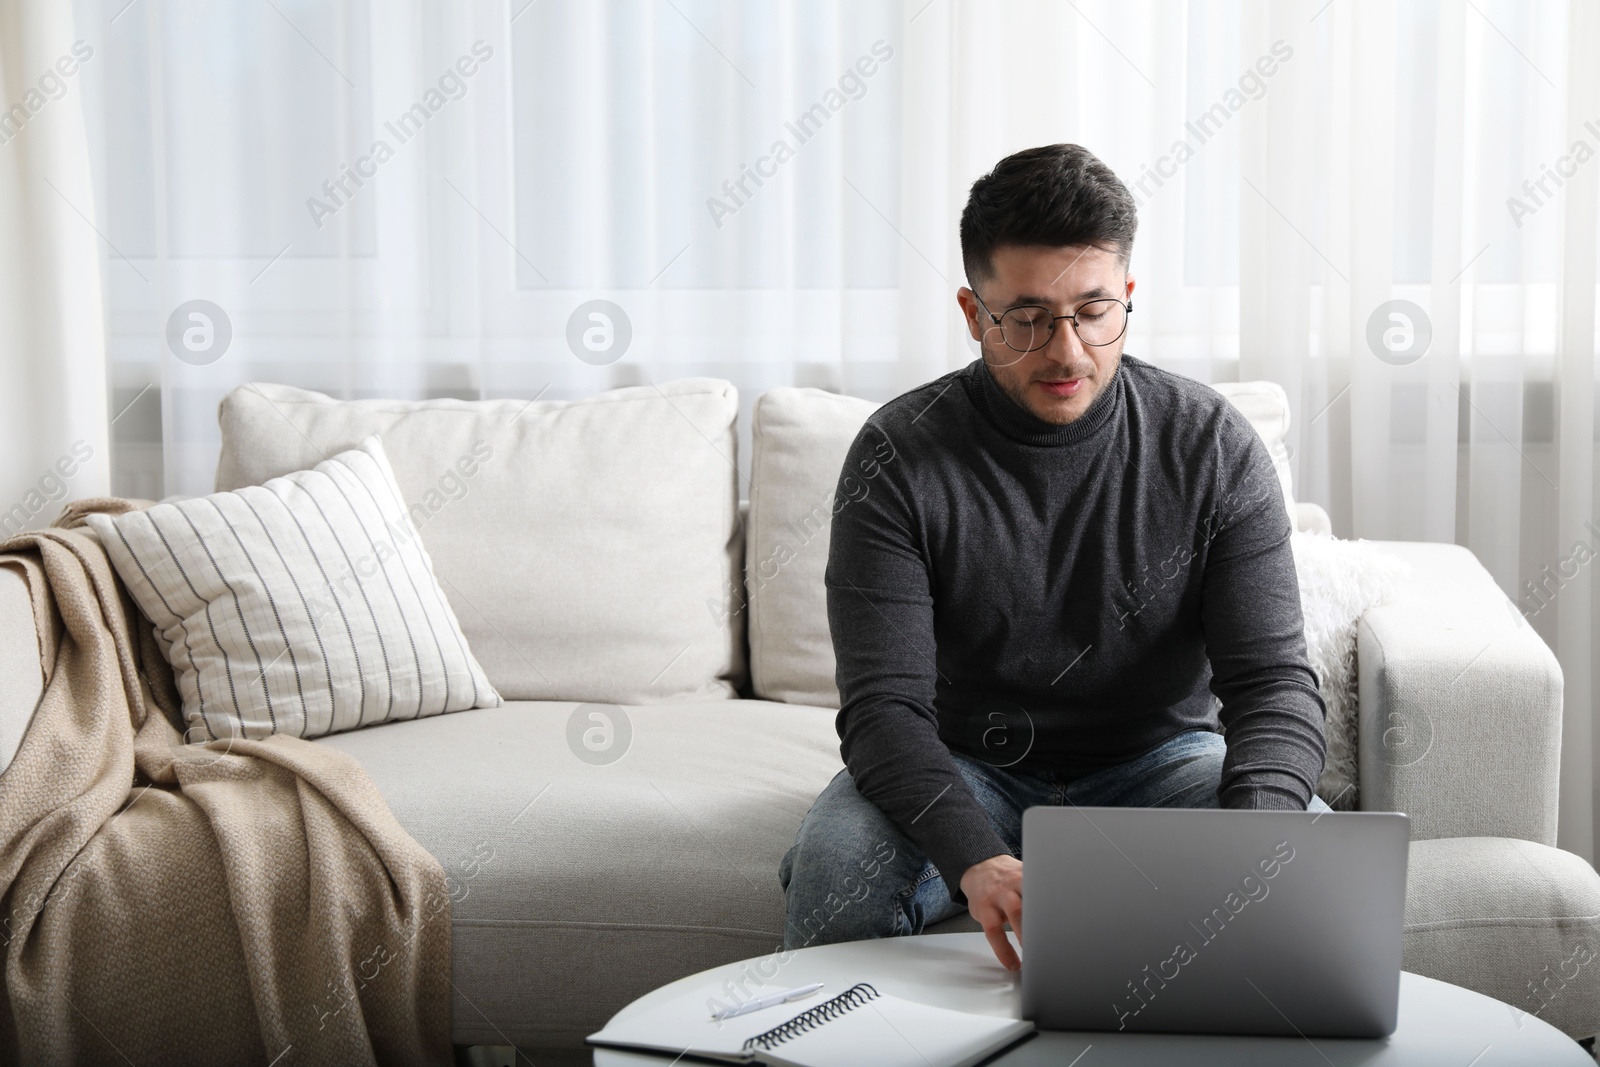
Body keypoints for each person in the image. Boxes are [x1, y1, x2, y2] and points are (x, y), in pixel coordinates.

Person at [778, 142, 1330, 972]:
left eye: (1095, 311)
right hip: (967, 769)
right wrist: (974, 856)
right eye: (1028, 318)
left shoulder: (1213, 445)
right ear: (973, 313)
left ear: (1129, 297)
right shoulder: (898, 454)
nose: (1067, 351)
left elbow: (1275, 685)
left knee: (1310, 865)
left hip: (1166, 765)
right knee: (836, 868)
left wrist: (1252, 833)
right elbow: (883, 712)